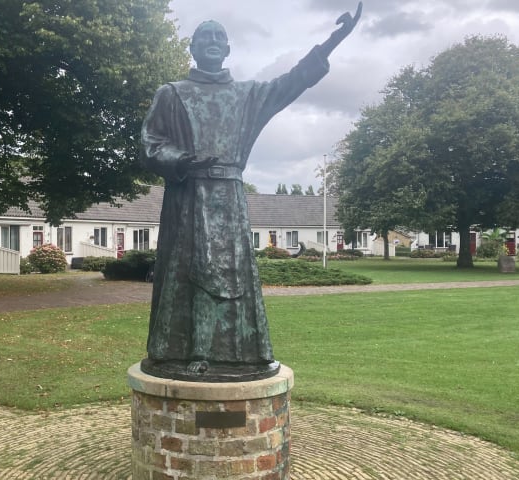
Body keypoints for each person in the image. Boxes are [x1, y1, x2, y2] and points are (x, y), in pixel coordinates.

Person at [140, 5, 361, 379]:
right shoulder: (172, 94)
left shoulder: (248, 95)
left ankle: (241, 354)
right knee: (187, 273)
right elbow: (149, 143)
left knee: (232, 276)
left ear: (228, 49)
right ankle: (179, 351)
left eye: (218, 38)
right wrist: (180, 160)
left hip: (229, 200)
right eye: (204, 37)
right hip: (187, 197)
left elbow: (292, 81)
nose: (212, 43)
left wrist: (332, 42)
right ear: (192, 48)